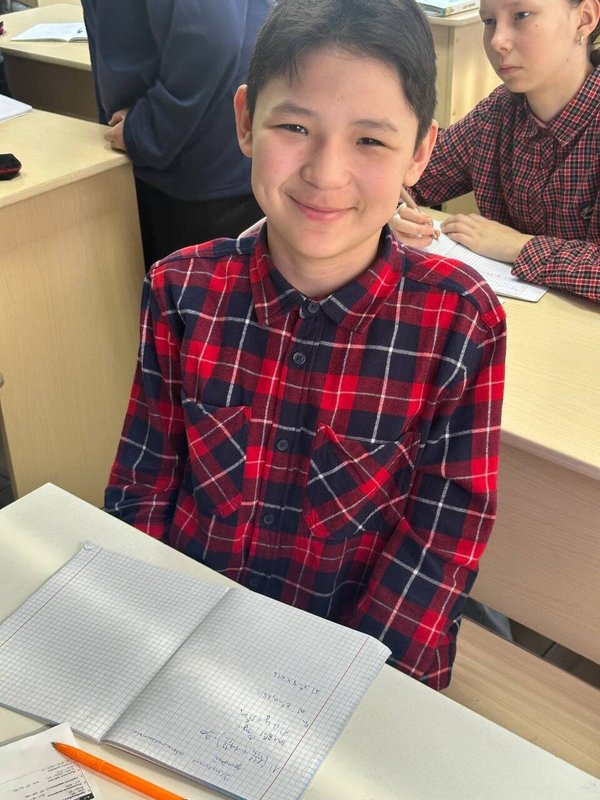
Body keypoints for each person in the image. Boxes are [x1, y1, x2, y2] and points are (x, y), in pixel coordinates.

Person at [105, 0, 507, 690]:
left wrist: (357, 689)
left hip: (352, 671)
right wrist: (140, 640)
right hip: (187, 647)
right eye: (294, 127)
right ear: (244, 121)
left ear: (420, 153)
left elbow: (442, 538)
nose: (326, 173)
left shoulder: (460, 318)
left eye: (370, 140)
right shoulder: (180, 288)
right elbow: (143, 485)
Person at [392, 0, 600, 304]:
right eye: (489, 21)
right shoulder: (499, 111)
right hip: (506, 315)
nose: (497, 41)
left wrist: (519, 246)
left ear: (584, 18)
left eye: (522, 15)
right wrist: (396, 215)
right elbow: (410, 177)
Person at [81, 0, 272, 269]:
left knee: (194, 289)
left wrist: (146, 129)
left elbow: (211, 39)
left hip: (193, 164)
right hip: (183, 155)